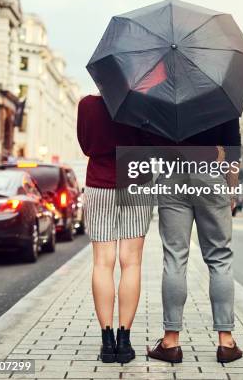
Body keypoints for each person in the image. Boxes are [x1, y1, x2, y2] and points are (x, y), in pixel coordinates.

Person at [143, 120, 243, 365]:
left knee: (175, 258)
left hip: (172, 177)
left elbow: (151, 148)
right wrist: (230, 191)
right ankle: (226, 342)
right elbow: (232, 154)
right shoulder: (220, 99)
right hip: (210, 175)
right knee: (220, 258)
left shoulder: (160, 96)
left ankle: (170, 343)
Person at [77, 94, 153, 364]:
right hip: (137, 180)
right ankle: (125, 339)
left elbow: (86, 147)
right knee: (131, 263)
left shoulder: (87, 105)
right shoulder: (145, 102)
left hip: (99, 183)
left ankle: (106, 341)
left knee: (102, 262)